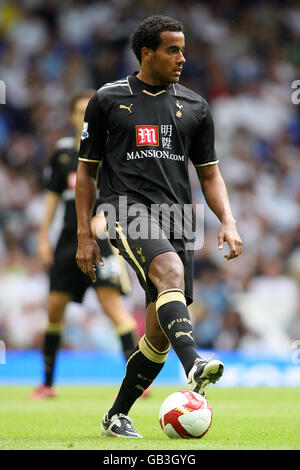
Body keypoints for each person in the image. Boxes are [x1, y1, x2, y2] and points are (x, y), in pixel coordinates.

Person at [75, 15, 242, 438]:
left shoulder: (196, 106)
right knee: (167, 272)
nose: (182, 58)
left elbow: (209, 173)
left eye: (183, 49)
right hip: (124, 209)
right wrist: (83, 233)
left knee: (158, 335)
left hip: (179, 219)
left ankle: (116, 416)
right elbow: (87, 172)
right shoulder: (108, 99)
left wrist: (228, 219)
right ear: (146, 53)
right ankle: (196, 365)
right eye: (173, 49)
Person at [30, 90, 137, 400]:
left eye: (87, 110)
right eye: (78, 111)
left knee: (114, 310)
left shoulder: (112, 149)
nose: (83, 115)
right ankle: (48, 384)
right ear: (72, 116)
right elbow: (52, 198)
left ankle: (137, 382)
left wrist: (107, 220)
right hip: (66, 241)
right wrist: (41, 239)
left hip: (101, 241)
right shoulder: (63, 153)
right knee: (54, 311)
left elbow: (124, 193)